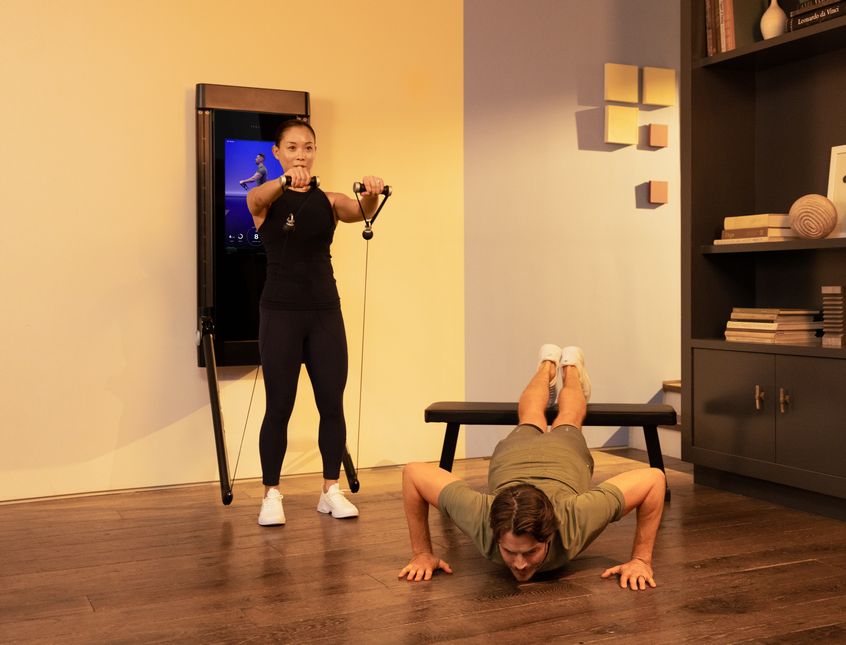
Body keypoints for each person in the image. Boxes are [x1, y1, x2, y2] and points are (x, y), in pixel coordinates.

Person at [398, 344, 665, 589]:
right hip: (515, 456)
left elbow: (653, 479)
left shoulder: (577, 517)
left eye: (530, 551)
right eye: (509, 551)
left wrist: (641, 560)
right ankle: (548, 364)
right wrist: (422, 554)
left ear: (550, 534)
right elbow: (413, 473)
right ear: (495, 533)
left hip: (563, 457)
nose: (520, 564)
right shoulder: (480, 517)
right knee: (537, 416)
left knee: (565, 417)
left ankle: (569, 368)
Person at [245, 119, 386, 526]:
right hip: (280, 313)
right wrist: (286, 181)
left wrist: (371, 192)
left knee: (331, 405)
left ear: (315, 151)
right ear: (277, 152)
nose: (301, 154)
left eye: (307, 148)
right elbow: (256, 199)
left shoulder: (330, 200)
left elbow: (361, 212)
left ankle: (330, 489)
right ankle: (271, 493)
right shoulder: (266, 199)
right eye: (292, 148)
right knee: (279, 406)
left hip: (324, 311)